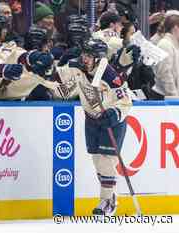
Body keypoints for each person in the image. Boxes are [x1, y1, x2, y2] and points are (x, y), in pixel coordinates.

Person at [52, 38, 132, 215]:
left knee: (106, 160)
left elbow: (125, 101)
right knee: (97, 160)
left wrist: (114, 114)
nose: (84, 58)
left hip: (112, 122)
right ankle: (110, 197)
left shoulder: (110, 75)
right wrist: (59, 65)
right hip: (91, 119)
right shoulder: (78, 69)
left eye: (89, 55)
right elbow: (58, 82)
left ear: (98, 58)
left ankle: (107, 201)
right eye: (84, 54)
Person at [152, 14, 179, 97]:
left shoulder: (173, 44)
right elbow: (165, 74)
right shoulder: (165, 44)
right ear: (176, 28)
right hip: (165, 97)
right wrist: (174, 96)